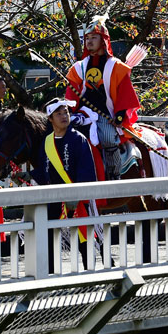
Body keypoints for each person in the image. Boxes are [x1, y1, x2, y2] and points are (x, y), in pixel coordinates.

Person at [65, 15, 140, 181]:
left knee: (107, 138)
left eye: (94, 38)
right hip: (82, 113)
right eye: (87, 38)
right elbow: (71, 93)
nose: (89, 42)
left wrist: (120, 115)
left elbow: (125, 92)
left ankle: (114, 174)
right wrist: (68, 111)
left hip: (105, 114)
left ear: (104, 40)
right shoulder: (78, 68)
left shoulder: (117, 67)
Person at [30, 98, 100, 273]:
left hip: (75, 199)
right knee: (50, 237)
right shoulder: (46, 142)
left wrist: (77, 196)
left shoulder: (79, 139)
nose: (64, 116)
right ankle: (52, 277)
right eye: (58, 113)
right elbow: (43, 171)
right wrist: (28, 175)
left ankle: (90, 275)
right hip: (54, 198)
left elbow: (86, 172)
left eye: (66, 112)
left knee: (83, 239)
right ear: (50, 119)